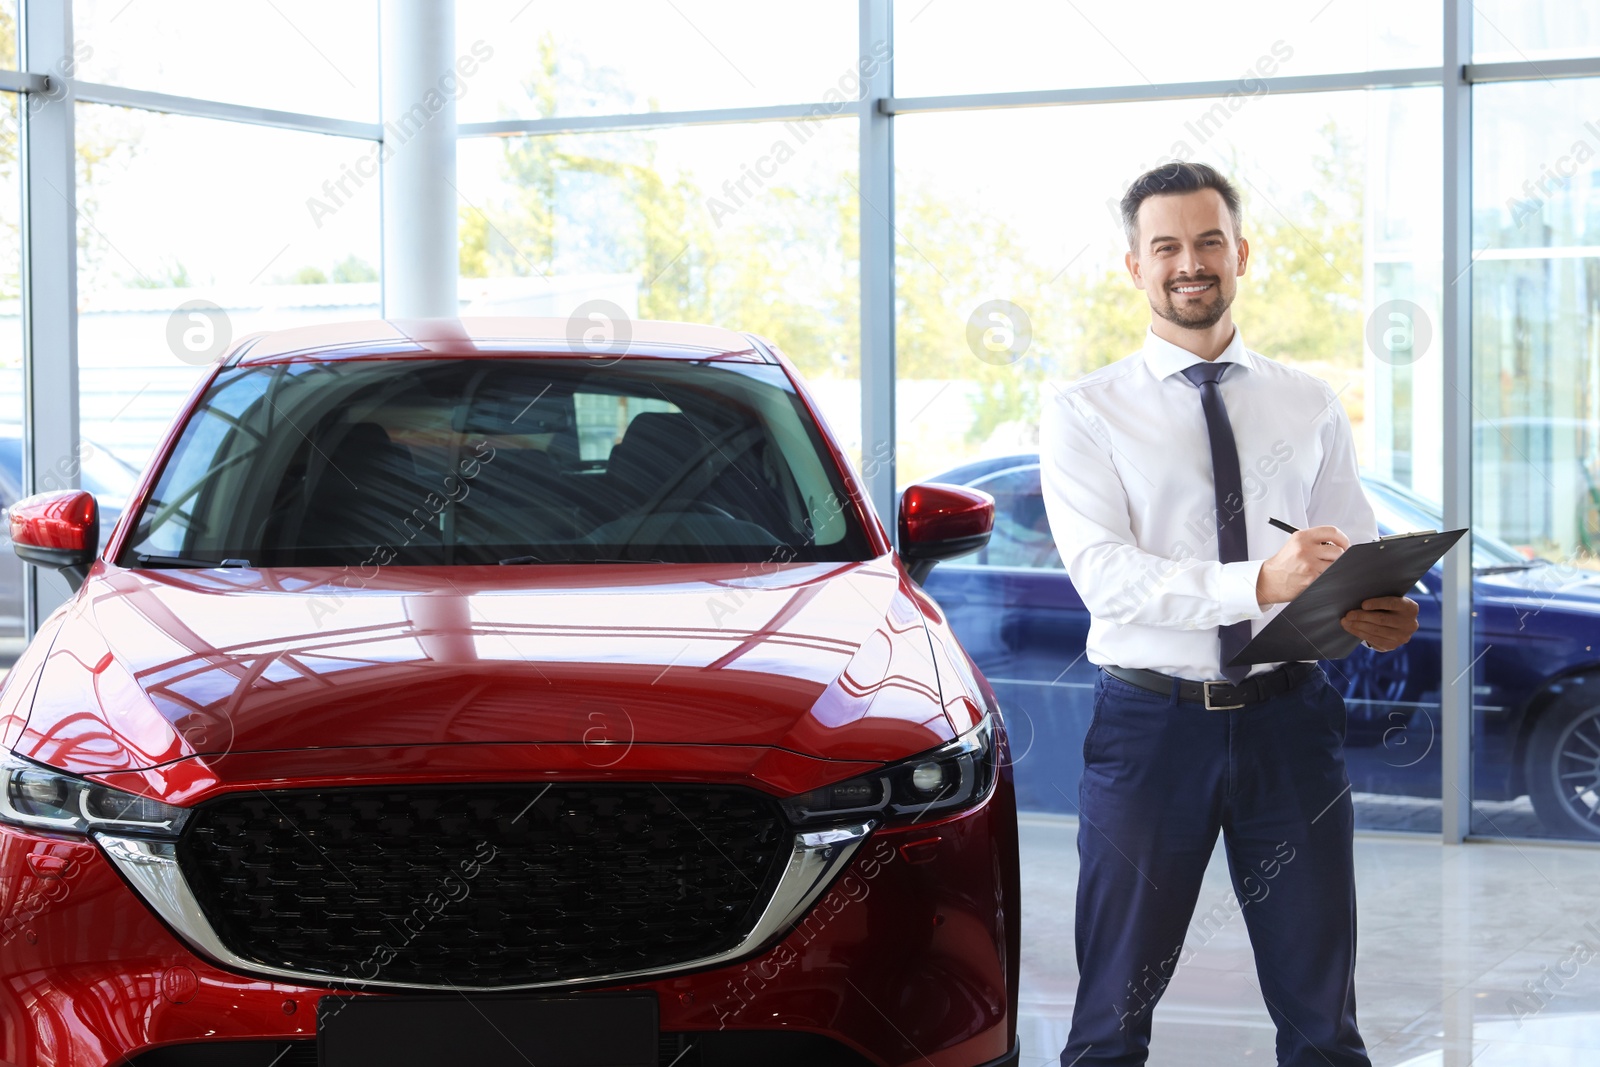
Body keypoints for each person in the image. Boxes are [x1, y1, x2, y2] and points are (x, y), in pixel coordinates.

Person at [1040, 161, 1420, 1067]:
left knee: (1324, 1020)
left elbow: (1345, 557)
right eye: (1165, 245)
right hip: (1149, 732)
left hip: (1292, 727)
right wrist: (1260, 582)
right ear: (1133, 266)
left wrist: (1377, 609)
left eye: (1208, 241)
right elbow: (1107, 579)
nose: (1190, 262)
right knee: (1109, 1023)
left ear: (1240, 252)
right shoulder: (1084, 412)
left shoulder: (1309, 401)